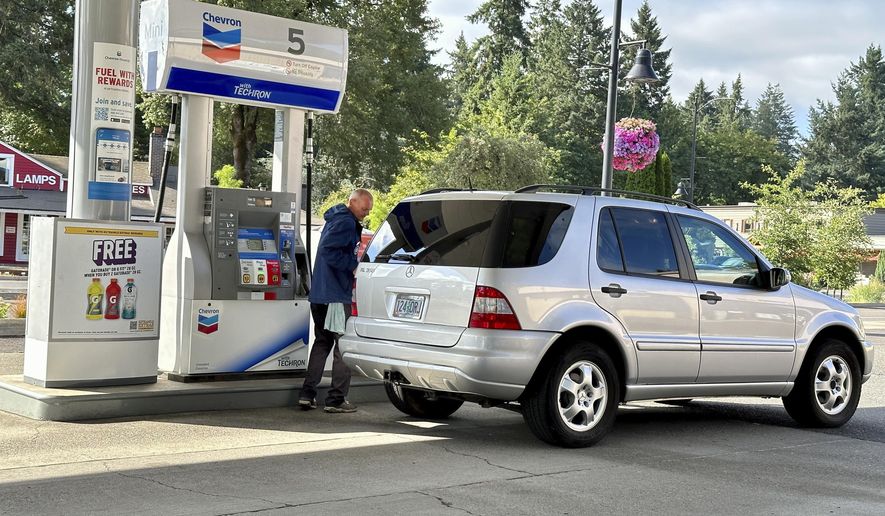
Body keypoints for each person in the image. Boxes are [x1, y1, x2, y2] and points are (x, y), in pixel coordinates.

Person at [298, 188, 373, 413]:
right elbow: (329, 250)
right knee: (343, 347)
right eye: (364, 208)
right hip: (335, 298)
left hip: (320, 294)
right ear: (352, 202)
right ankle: (336, 399)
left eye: (369, 209)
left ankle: (307, 394)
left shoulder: (334, 220)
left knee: (322, 343)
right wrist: (354, 266)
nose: (367, 213)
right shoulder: (346, 223)